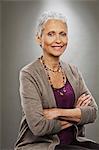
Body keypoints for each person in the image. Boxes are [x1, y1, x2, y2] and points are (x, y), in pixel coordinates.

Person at [15, 11, 99, 150]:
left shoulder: (73, 71)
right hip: (42, 145)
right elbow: (39, 127)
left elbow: (93, 113)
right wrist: (76, 113)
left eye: (63, 34)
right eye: (51, 34)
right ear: (38, 38)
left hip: (74, 141)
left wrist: (57, 112)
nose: (58, 40)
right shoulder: (29, 74)